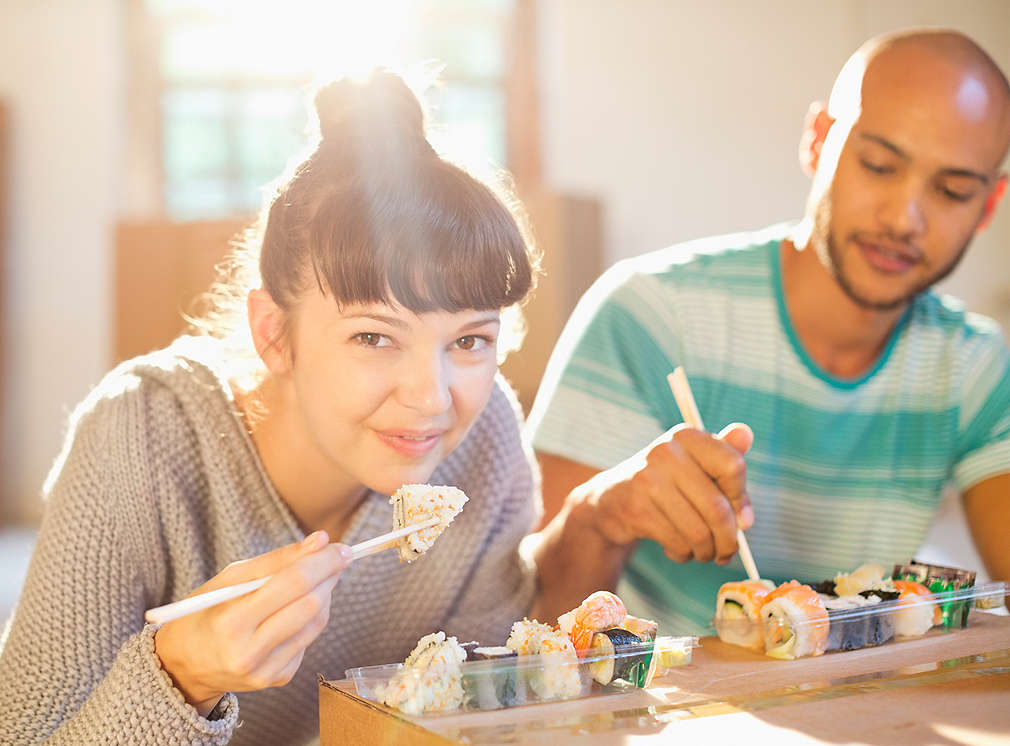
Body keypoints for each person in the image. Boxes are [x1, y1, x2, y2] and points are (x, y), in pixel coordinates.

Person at [0, 69, 564, 745]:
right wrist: (182, 675)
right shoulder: (137, 437)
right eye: (374, 336)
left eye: (470, 339)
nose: (432, 397)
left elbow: (473, 715)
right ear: (275, 334)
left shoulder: (486, 436)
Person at [527, 28, 1010, 634]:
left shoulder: (972, 365)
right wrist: (601, 514)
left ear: (989, 205)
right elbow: (527, 618)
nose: (903, 218)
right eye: (880, 165)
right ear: (818, 141)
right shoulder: (651, 315)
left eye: (951, 191)